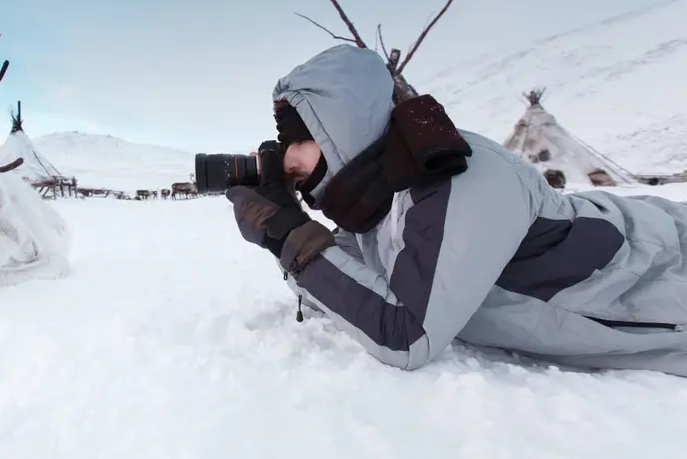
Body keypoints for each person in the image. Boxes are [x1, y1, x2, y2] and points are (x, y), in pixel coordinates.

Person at [226, 43, 687, 377]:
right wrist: (281, 230)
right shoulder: (378, 205)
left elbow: (406, 336)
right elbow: (336, 296)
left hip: (663, 269)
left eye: (299, 139)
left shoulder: (455, 178)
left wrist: (291, 236)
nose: (289, 157)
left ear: (341, 130)